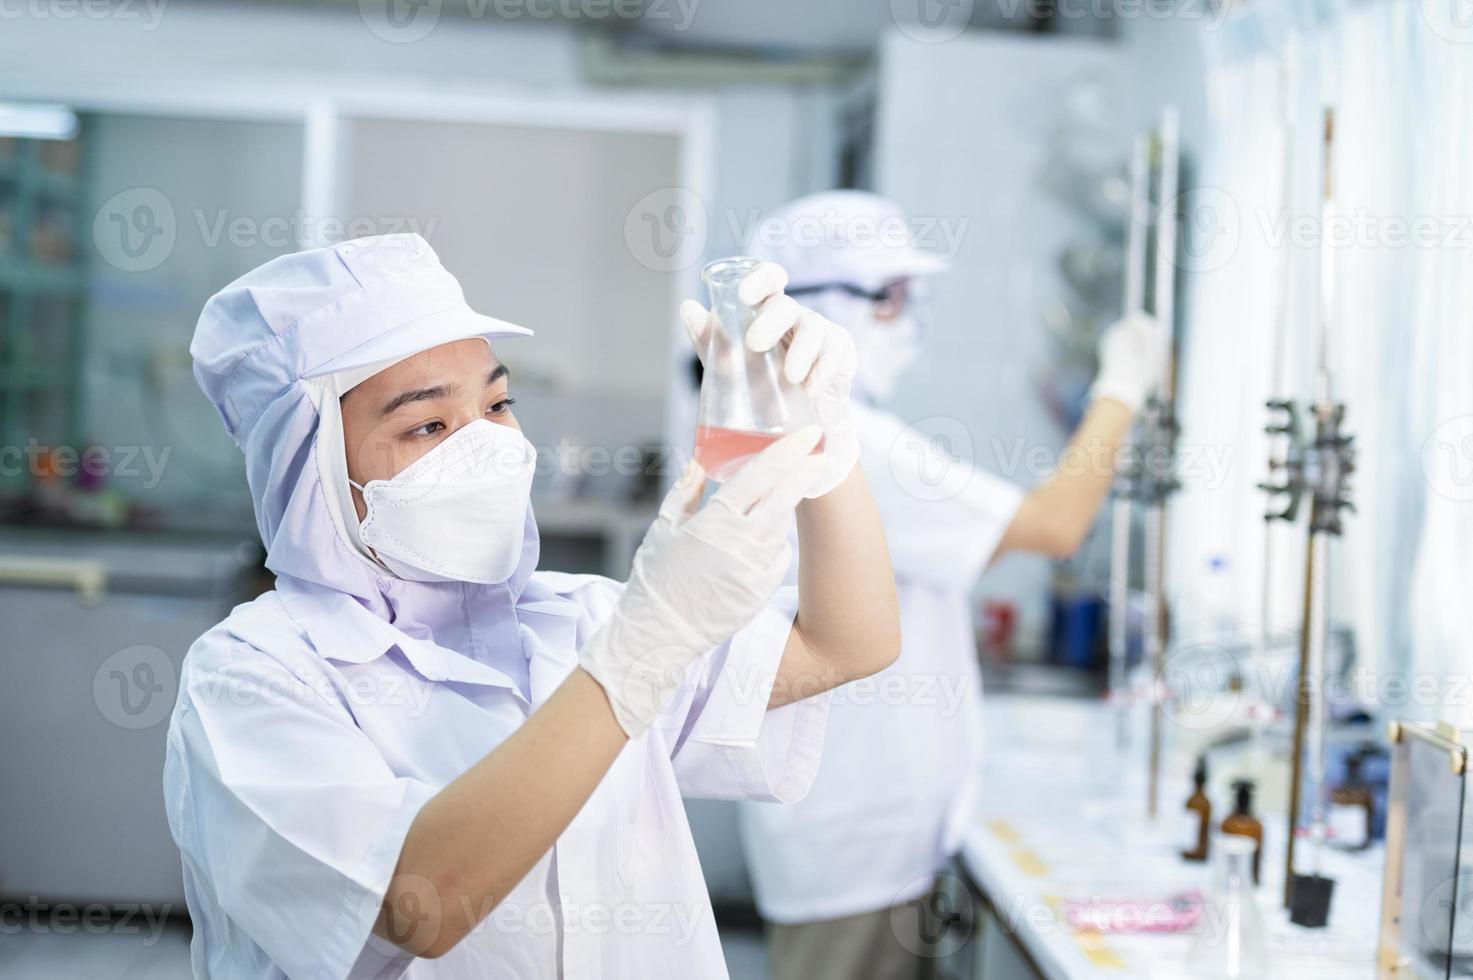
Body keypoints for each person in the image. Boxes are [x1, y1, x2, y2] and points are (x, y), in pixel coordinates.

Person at [163, 233, 901, 978]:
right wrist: (644, 647)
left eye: (497, 402)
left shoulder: (578, 619)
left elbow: (846, 645)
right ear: (310, 466)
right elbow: (420, 905)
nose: (488, 445)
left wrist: (825, 441)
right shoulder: (250, 679)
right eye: (428, 424)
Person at [736, 191, 1167, 979]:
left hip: (848, 828)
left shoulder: (789, 420)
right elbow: (1054, 524)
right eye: (893, 297)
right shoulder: (845, 436)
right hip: (855, 841)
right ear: (820, 307)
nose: (911, 319)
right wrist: (1119, 390)